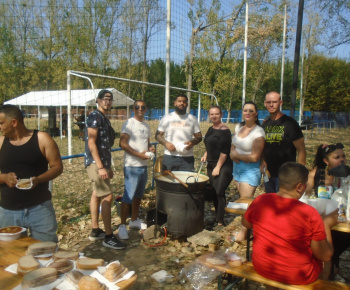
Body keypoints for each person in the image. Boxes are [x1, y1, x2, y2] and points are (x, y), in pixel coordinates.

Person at [242, 162, 338, 285]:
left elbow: (246, 223)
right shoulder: (310, 213)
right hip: (299, 275)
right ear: (299, 187)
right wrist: (326, 224)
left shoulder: (261, 200)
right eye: (305, 185)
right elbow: (325, 256)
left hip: (262, 267)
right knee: (324, 260)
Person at [0, 104, 63, 242]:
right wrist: (4, 178)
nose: (0, 127)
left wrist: (38, 180)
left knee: (46, 254)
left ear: (14, 122)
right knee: (12, 255)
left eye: (1, 123)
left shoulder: (42, 139)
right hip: (8, 211)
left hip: (40, 209)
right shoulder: (0, 143)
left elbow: (57, 167)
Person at [85, 89, 126, 250]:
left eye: (110, 99)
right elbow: (91, 143)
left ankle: (95, 230)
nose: (107, 102)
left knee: (97, 194)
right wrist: (101, 167)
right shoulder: (95, 116)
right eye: (104, 99)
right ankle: (109, 236)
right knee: (108, 197)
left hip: (102, 163)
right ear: (98, 100)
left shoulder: (103, 118)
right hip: (96, 163)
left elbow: (104, 145)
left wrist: (107, 167)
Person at [306, 143, 350, 281]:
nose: (342, 160)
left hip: (343, 222)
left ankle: (330, 270)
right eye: (337, 157)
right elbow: (304, 196)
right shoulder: (316, 174)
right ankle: (326, 273)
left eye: (344, 156)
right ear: (326, 161)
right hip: (321, 222)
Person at [118, 100, 155, 239]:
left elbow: (147, 144)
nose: (140, 109)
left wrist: (150, 149)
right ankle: (122, 225)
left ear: (146, 109)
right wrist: (139, 155)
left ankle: (134, 220)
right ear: (133, 109)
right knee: (128, 196)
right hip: (132, 166)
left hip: (143, 166)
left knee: (138, 195)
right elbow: (122, 143)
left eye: (143, 107)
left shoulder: (146, 126)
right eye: (137, 107)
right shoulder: (129, 123)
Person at [230, 101, 265, 241]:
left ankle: (244, 234)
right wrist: (232, 152)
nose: (248, 113)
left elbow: (255, 156)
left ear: (256, 114)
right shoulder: (239, 127)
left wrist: (235, 156)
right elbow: (233, 144)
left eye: (251, 111)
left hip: (250, 170)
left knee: (245, 204)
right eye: (245, 110)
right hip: (237, 168)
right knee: (242, 202)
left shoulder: (258, 132)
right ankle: (246, 228)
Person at [261, 91, 306, 193]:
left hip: (286, 176)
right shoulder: (265, 124)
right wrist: (262, 161)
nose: (271, 105)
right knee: (271, 204)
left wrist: (300, 174)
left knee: (284, 206)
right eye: (268, 102)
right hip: (269, 174)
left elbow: (301, 150)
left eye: (274, 102)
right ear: (265, 103)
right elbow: (263, 147)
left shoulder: (290, 123)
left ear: (280, 103)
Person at [201, 106, 233, 228]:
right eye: (212, 114)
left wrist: (218, 167)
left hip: (223, 165)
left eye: (217, 114)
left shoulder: (225, 130)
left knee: (219, 192)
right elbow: (208, 145)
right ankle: (216, 218)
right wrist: (205, 154)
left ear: (221, 114)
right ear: (209, 115)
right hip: (211, 164)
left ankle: (220, 221)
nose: (214, 116)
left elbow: (225, 151)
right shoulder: (210, 129)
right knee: (214, 192)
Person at [155, 94, 202, 171]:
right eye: (179, 101)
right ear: (175, 103)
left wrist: (192, 142)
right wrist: (166, 143)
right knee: (168, 182)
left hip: (187, 159)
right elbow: (157, 135)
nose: (181, 103)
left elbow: (199, 136)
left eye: (184, 101)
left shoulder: (192, 119)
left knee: (187, 182)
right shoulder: (167, 117)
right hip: (170, 157)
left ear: (187, 104)